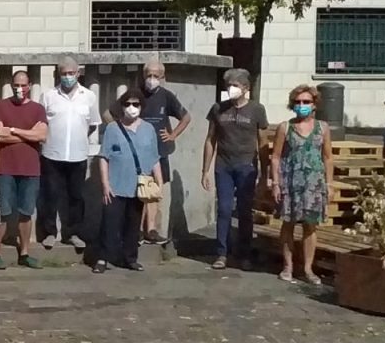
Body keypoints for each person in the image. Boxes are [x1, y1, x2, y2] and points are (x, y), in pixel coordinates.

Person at [202, 68, 269, 270]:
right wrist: (205, 170)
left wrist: (266, 174)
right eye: (229, 86)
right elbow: (210, 140)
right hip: (223, 166)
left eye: (235, 86)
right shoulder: (218, 109)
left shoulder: (257, 110)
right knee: (223, 209)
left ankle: (244, 254)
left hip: (246, 166)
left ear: (246, 88)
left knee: (244, 211)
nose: (231, 89)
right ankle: (222, 253)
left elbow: (263, 141)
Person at [93, 89, 163, 274]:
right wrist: (105, 184)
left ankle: (130, 258)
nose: (131, 108)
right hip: (115, 186)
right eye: (127, 104)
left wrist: (159, 182)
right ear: (121, 106)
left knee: (133, 225)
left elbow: (154, 158)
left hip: (139, 186)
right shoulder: (113, 129)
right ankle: (102, 258)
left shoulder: (148, 130)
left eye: (136, 104)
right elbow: (103, 157)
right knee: (109, 223)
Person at [270, 85, 332, 285]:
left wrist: (329, 184)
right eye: (298, 102)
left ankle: (308, 268)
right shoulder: (285, 127)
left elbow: (328, 157)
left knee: (310, 226)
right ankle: (287, 266)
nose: (301, 105)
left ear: (314, 105)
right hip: (290, 182)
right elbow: (276, 157)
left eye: (306, 102)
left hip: (314, 183)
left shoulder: (322, 128)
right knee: (288, 224)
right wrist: (276, 183)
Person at [39, 57, 99, 250]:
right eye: (64, 73)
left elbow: (91, 125)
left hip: (78, 155)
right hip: (52, 155)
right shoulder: (48, 96)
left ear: (78, 73)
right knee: (50, 195)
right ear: (59, 74)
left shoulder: (89, 96)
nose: (67, 77)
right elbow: (42, 125)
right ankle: (49, 233)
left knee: (76, 197)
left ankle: (73, 233)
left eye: (71, 73)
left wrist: (76, 138)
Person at [0, 70, 47, 270]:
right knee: (2, 212)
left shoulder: (38, 109)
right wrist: (28, 134)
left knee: (26, 212)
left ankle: (24, 253)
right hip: (4, 168)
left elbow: (41, 136)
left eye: (23, 85)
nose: (19, 89)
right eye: (16, 85)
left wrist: (13, 130)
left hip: (30, 168)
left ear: (29, 86)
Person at [138, 61, 191, 244]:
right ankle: (136, 229)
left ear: (162, 77)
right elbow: (112, 113)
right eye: (148, 75)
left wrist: (173, 135)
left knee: (153, 190)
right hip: (138, 152)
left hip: (160, 152)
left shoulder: (167, 96)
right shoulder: (136, 94)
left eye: (156, 76)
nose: (151, 80)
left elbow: (186, 117)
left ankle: (151, 229)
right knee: (138, 190)